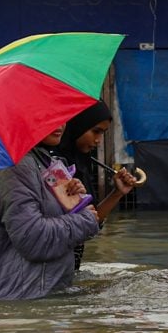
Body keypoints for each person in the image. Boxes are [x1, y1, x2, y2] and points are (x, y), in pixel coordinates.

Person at [0, 125, 101, 300]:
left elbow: (58, 218)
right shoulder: (17, 168)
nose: (59, 124)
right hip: (24, 302)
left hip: (48, 294)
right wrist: (84, 220)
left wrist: (73, 200)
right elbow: (33, 239)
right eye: (45, 118)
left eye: (60, 117)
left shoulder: (45, 160)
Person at [50, 99, 137, 270]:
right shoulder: (52, 166)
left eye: (102, 133)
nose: (98, 140)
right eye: (95, 131)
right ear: (78, 125)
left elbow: (90, 223)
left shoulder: (81, 162)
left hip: (68, 270)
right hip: (51, 272)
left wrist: (117, 193)